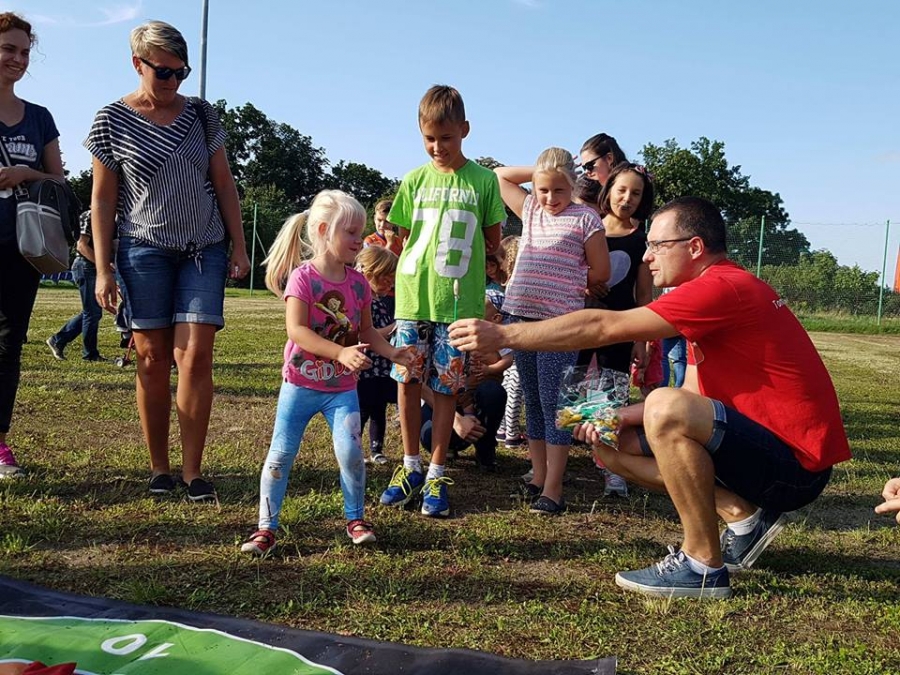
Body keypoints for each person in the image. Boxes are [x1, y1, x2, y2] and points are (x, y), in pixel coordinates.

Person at [450, 196, 851, 598]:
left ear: (694, 247)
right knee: (611, 445)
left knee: (663, 404)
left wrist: (504, 334)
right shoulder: (714, 293)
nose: (646, 257)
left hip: (795, 468)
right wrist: (618, 417)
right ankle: (743, 517)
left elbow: (604, 326)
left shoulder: (721, 287)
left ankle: (702, 565)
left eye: (658, 245)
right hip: (764, 454)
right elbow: (691, 393)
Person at [86, 21, 251, 500]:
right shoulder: (110, 120)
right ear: (137, 64)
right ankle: (159, 467)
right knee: (153, 358)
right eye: (163, 72)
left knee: (195, 355)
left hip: (204, 248)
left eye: (182, 72)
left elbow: (224, 184)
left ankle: (193, 471)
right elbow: (103, 200)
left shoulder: (202, 115)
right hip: (142, 250)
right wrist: (103, 268)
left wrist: (240, 245)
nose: (173, 81)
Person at [241, 191, 414, 556]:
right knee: (280, 455)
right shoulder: (303, 278)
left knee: (350, 451)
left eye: (360, 232)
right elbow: (297, 331)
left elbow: (366, 331)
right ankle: (266, 528)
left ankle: (356, 519)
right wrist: (340, 352)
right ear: (323, 230)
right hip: (300, 385)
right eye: (350, 232)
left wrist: (392, 352)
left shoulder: (358, 283)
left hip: (341, 389)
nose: (358, 240)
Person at [379, 84, 506, 518]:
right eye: (429, 138)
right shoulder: (414, 180)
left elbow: (493, 239)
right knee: (407, 380)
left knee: (447, 385)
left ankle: (436, 473)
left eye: (446, 138)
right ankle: (409, 466)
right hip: (413, 298)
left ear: (465, 130)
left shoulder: (484, 181)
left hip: (457, 305)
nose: (438, 147)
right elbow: (402, 237)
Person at [494, 148, 610, 515]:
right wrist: (542, 170)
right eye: (543, 189)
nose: (549, 197)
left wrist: (571, 280)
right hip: (522, 317)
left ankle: (555, 489)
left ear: (572, 186)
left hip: (559, 323)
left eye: (559, 189)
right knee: (532, 397)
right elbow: (500, 176)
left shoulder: (586, 218)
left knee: (555, 403)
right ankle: (539, 475)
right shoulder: (531, 208)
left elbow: (601, 271)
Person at [0, 12, 65, 479]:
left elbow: (59, 181)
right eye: (9, 49)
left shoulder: (39, 118)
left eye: (24, 52)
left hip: (22, 249)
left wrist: (27, 173)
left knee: (7, 347)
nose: (18, 59)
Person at [576, 162, 655, 498]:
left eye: (636, 193)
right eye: (622, 190)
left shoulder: (642, 241)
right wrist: (585, 284)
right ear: (609, 192)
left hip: (620, 330)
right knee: (573, 390)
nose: (627, 198)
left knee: (612, 396)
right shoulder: (587, 229)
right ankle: (559, 461)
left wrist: (641, 341)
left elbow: (644, 295)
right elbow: (567, 272)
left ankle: (613, 470)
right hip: (578, 326)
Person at [421, 292, 511, 471]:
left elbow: (506, 359)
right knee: (429, 435)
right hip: (444, 401)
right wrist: (457, 420)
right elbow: (419, 386)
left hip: (473, 398)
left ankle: (485, 447)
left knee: (493, 392)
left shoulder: (491, 342)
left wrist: (490, 366)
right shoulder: (433, 334)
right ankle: (445, 446)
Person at [355, 245, 398, 465]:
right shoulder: (363, 303)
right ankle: (354, 448)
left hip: (382, 368)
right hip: (365, 369)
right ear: (370, 273)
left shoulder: (380, 302)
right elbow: (365, 336)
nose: (390, 285)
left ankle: (376, 449)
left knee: (379, 409)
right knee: (363, 409)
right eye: (386, 279)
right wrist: (393, 329)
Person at [45, 211, 108, 362]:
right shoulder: (90, 216)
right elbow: (81, 246)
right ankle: (89, 354)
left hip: (94, 268)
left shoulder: (111, 217)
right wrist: (103, 265)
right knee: (92, 313)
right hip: (85, 267)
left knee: (92, 312)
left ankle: (58, 340)